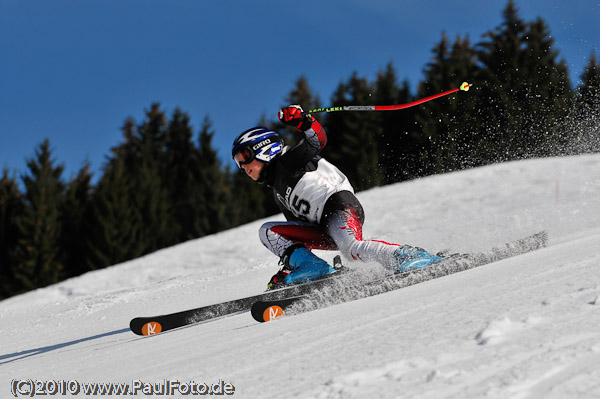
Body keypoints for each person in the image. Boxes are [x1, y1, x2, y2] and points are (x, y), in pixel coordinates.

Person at [231, 105, 442, 289]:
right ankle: (311, 268)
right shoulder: (278, 191)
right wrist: (290, 265)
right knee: (268, 231)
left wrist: (302, 121)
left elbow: (317, 140)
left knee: (352, 250)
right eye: (238, 162)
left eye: (245, 157)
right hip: (321, 228)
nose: (243, 166)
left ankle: (409, 256)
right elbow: (295, 232)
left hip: (338, 206)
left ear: (264, 148)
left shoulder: (289, 159)